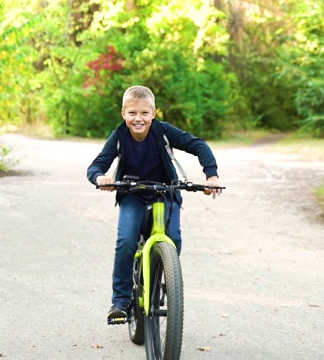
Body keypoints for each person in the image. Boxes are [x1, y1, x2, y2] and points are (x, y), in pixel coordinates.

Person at [86, 85, 222, 320]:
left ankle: (164, 277)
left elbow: (198, 145)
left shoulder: (164, 132)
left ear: (153, 113)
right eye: (132, 113)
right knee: (126, 239)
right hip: (132, 195)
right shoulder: (119, 137)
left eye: (144, 113)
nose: (138, 119)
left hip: (166, 193)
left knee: (174, 238)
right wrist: (101, 178)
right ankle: (120, 300)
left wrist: (211, 176)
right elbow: (96, 166)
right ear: (123, 114)